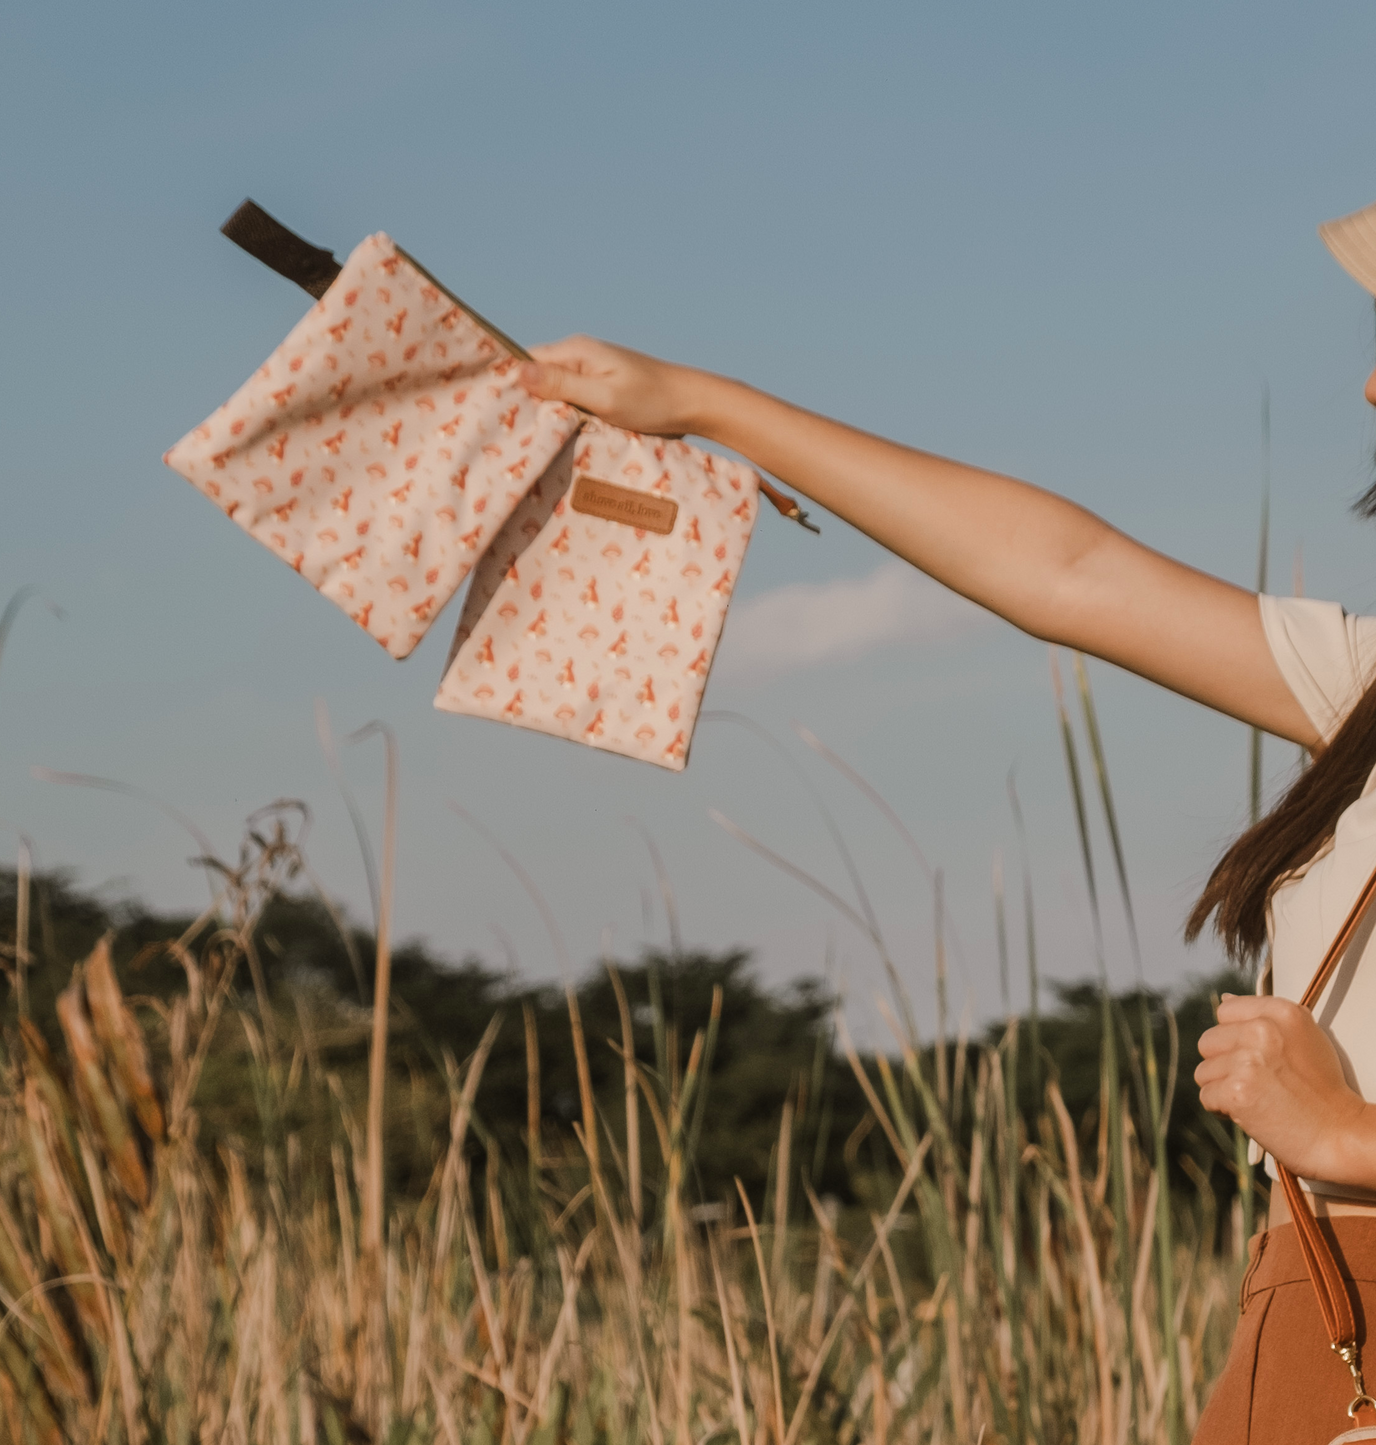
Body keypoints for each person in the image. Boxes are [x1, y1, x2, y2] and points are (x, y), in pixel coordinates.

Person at [519, 202, 1376, 1443]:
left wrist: (1345, 1130)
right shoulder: (1363, 683)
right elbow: (1064, 572)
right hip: (1310, 1301)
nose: (1362, 381)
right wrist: (698, 401)